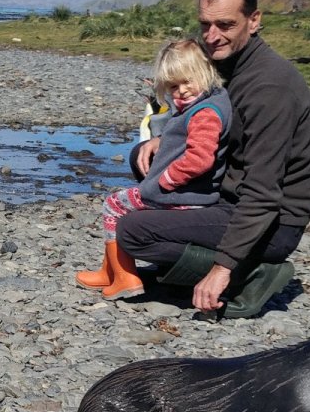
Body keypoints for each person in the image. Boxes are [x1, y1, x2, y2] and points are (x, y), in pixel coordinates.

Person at [115, 0, 310, 318]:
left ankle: (251, 273)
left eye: (225, 25)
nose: (212, 37)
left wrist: (222, 267)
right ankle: (199, 265)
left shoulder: (270, 88)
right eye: (205, 24)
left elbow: (262, 193)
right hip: (226, 192)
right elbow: (202, 126)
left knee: (132, 231)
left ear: (253, 21)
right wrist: (160, 143)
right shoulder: (223, 67)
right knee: (143, 163)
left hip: (274, 222)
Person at [77, 39, 233, 299]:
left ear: (205, 73)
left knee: (113, 204)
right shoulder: (210, 100)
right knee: (119, 205)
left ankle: (125, 277)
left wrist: (167, 179)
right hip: (190, 192)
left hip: (182, 194)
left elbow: (200, 159)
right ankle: (110, 270)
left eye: (187, 81)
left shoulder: (205, 113)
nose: (181, 91)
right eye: (173, 86)